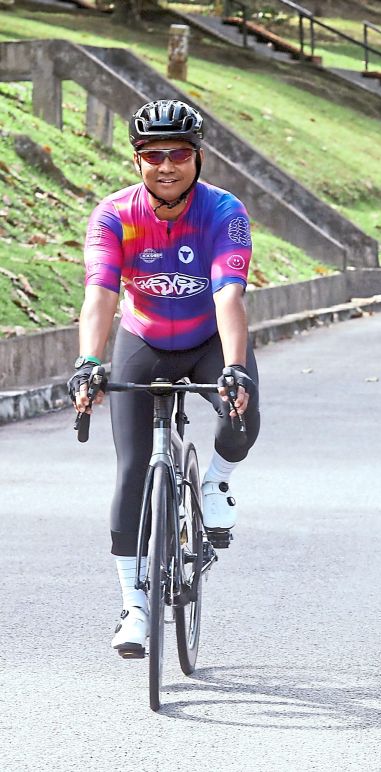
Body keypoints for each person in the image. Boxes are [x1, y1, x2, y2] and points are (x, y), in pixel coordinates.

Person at [69, 99, 261, 658]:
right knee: (132, 470)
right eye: (154, 154)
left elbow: (229, 294)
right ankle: (134, 606)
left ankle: (217, 481)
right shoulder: (113, 215)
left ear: (198, 157)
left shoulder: (224, 211)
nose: (167, 165)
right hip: (144, 339)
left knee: (242, 419)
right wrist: (88, 361)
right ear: (137, 161)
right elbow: (101, 294)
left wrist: (232, 367)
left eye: (179, 153)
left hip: (208, 341)